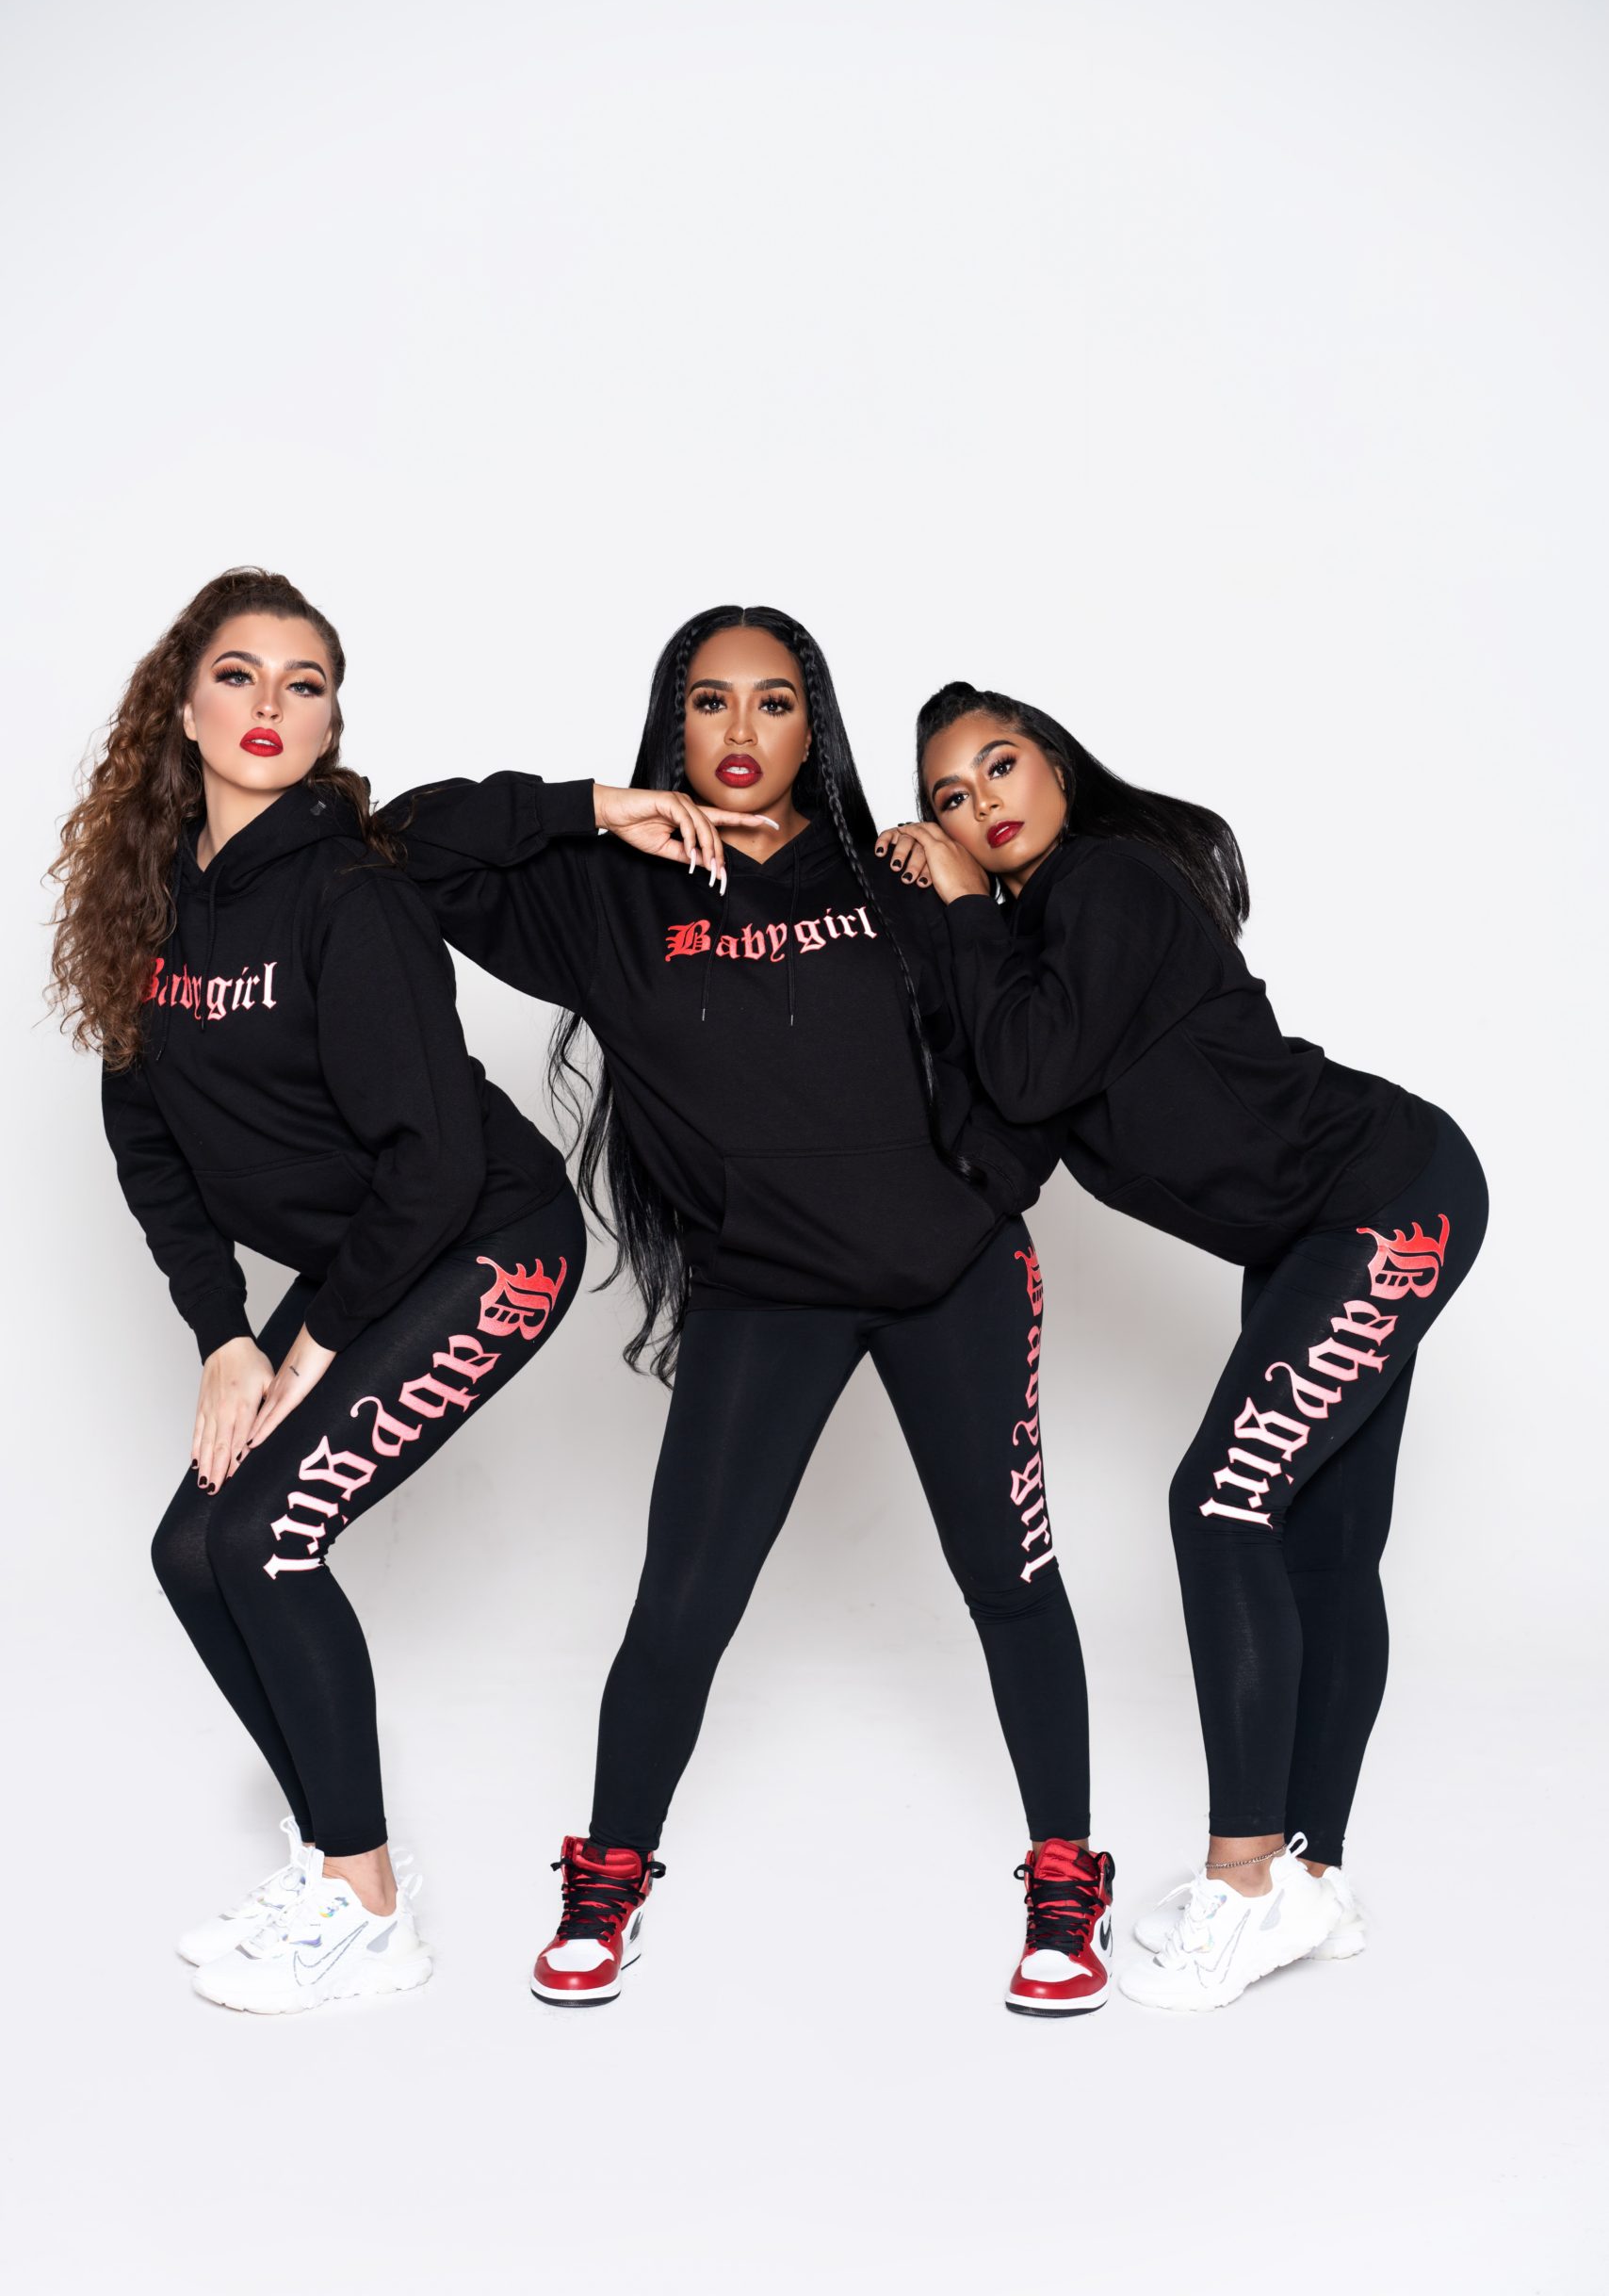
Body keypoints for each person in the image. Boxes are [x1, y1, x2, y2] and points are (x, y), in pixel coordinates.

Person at [390, 607, 1115, 2014]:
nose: (740, 730)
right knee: (685, 1601)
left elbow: (1030, 1044)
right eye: (710, 700)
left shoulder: (895, 868)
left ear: (813, 725)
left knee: (1010, 1580)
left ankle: (1061, 1880)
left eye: (774, 702)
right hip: (768, 1291)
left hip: (955, 1280)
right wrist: (594, 808)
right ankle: (609, 1875)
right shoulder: (607, 892)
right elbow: (403, 845)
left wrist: (985, 1186)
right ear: (674, 720)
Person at [877, 685, 1487, 2013]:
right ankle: (1312, 1883)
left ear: (1056, 765)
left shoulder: (1109, 884)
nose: (983, 804)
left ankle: (1249, 1881)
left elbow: (1031, 1072)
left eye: (1000, 766)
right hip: (1316, 1235)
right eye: (949, 799)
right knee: (1322, 1544)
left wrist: (962, 909)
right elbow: (1003, 1135)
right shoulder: (1027, 952)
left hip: (1388, 1197)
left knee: (1220, 1503)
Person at [50, 568, 585, 2015]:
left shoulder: (355, 897)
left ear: (332, 720)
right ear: (183, 707)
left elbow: (432, 1161)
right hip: (373, 1261)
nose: (269, 705)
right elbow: (145, 1139)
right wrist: (226, 1337)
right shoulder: (152, 903)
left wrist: (316, 1344)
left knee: (269, 1541)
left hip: (488, 1240)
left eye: (305, 684)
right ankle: (327, 1858)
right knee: (192, 1550)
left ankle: (369, 1906)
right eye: (238, 675)